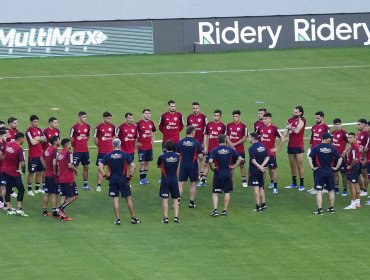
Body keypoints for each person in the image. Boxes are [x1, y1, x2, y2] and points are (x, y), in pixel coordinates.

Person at [98, 138, 141, 225]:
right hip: (123, 179)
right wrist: (130, 176)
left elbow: (100, 166)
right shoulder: (125, 154)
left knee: (115, 198)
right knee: (128, 198)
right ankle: (133, 218)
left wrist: (105, 176)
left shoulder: (108, 155)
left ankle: (117, 219)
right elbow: (134, 166)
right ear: (120, 144)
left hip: (113, 180)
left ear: (112, 145)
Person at [308, 133, 343, 215]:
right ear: (327, 139)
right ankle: (331, 208)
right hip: (329, 172)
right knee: (331, 191)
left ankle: (319, 210)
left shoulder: (316, 147)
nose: (330, 139)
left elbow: (309, 157)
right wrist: (336, 168)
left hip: (320, 172)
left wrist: (313, 167)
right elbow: (340, 159)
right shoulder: (332, 148)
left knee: (319, 191)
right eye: (330, 138)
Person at [209, 134, 243, 217]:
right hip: (227, 173)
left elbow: (210, 161)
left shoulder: (214, 150)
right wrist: (233, 167)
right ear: (225, 141)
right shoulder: (230, 149)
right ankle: (224, 211)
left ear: (218, 141)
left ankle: (215, 210)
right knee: (227, 192)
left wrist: (212, 168)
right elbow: (240, 158)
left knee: (215, 192)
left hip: (218, 173)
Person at [257, 112, 285, 194]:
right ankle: (261, 186)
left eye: (265, 119)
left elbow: (282, 139)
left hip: (270, 155)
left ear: (269, 119)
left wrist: (277, 148)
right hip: (261, 154)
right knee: (262, 170)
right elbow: (256, 137)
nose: (264, 120)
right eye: (263, 119)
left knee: (273, 171)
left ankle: (275, 187)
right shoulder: (260, 128)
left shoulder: (274, 128)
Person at [2, 132, 28, 217]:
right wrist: (23, 171)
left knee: (8, 189)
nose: (24, 140)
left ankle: (9, 209)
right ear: (20, 139)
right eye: (23, 138)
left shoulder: (8, 144)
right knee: (21, 189)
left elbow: (3, 154)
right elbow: (23, 163)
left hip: (4, 170)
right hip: (13, 172)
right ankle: (19, 208)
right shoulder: (19, 149)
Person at [177, 126, 203, 208]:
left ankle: (177, 201)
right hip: (193, 166)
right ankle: (191, 203)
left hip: (183, 165)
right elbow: (200, 156)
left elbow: (177, 155)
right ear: (192, 133)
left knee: (180, 184)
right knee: (193, 184)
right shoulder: (196, 142)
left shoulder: (181, 142)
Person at [198, 109, 226, 187]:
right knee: (206, 164)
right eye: (214, 115)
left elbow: (225, 139)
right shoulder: (209, 125)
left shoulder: (223, 126)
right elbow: (206, 136)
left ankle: (220, 181)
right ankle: (203, 181)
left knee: (219, 166)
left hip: (219, 150)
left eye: (217, 116)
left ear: (220, 116)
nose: (216, 117)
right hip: (210, 149)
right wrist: (206, 147)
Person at [306, 111, 330, 194]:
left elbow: (329, 140)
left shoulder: (326, 127)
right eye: (316, 118)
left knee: (321, 169)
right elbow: (312, 138)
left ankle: (322, 187)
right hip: (314, 151)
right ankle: (316, 186)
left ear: (322, 117)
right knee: (314, 168)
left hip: (322, 152)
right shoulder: (313, 127)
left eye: (318, 118)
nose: (316, 119)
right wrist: (309, 147)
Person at [157, 140, 181, 223]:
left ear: (165, 147)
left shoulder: (162, 157)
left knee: (165, 199)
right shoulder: (177, 157)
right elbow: (177, 168)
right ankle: (176, 217)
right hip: (174, 179)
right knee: (175, 199)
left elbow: (158, 165)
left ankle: (166, 218)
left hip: (165, 180)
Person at [56, 138, 79, 221]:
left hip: (61, 178)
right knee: (74, 195)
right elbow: (70, 165)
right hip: (68, 179)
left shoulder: (60, 154)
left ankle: (62, 215)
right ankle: (60, 208)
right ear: (67, 144)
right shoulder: (69, 153)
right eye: (70, 143)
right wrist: (76, 170)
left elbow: (57, 165)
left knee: (64, 195)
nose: (71, 145)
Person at [284, 106, 306, 191]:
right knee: (292, 164)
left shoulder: (302, 120)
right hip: (290, 145)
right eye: (294, 112)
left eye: (296, 112)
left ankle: (302, 184)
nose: (294, 113)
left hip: (299, 145)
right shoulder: (290, 120)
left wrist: (290, 127)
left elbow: (297, 131)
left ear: (300, 113)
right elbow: (285, 133)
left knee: (299, 165)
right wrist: (280, 136)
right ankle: (294, 183)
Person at [94, 111, 115, 191]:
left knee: (110, 168)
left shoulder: (112, 126)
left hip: (110, 151)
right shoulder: (98, 127)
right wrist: (100, 146)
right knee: (100, 168)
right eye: (107, 118)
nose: (109, 120)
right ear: (103, 118)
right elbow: (95, 138)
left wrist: (111, 144)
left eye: (110, 118)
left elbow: (113, 136)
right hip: (102, 152)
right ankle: (99, 184)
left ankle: (110, 183)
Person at [226, 110, 248, 188]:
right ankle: (229, 181)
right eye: (234, 116)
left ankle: (244, 181)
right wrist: (230, 144)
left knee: (241, 165)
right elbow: (227, 136)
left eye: (236, 116)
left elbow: (244, 138)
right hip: (230, 149)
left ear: (239, 117)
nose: (235, 118)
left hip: (240, 150)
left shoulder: (243, 126)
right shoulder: (228, 125)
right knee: (231, 165)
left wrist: (234, 144)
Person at [26, 115, 47, 196]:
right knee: (31, 172)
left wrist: (37, 138)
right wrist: (39, 138)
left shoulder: (39, 129)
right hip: (33, 155)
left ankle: (37, 188)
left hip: (40, 155)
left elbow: (45, 139)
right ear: (31, 122)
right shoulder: (29, 131)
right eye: (34, 122)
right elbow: (32, 142)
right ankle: (29, 190)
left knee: (39, 172)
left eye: (37, 121)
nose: (36, 123)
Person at [248, 133, 270, 212]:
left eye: (249, 137)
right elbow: (267, 157)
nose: (248, 138)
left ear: (253, 138)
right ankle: (263, 204)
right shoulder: (263, 146)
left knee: (256, 188)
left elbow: (253, 160)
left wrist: (259, 166)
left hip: (254, 170)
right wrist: (262, 166)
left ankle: (258, 206)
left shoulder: (251, 148)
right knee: (261, 187)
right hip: (261, 171)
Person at [70, 111, 92, 190]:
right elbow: (71, 139)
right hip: (77, 151)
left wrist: (84, 141)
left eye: (86, 117)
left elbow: (88, 136)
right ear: (79, 117)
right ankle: (71, 184)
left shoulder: (88, 126)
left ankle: (85, 185)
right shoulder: (74, 127)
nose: (85, 119)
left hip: (85, 151)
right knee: (74, 167)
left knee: (86, 167)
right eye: (83, 117)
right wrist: (74, 146)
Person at [186, 102, 207, 182]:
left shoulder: (203, 117)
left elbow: (206, 131)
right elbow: (188, 130)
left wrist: (204, 144)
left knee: (201, 158)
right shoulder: (189, 117)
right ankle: (196, 174)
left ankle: (202, 174)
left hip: (201, 141)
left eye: (196, 108)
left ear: (199, 108)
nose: (195, 110)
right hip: (192, 142)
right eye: (194, 108)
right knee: (194, 158)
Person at [40, 136, 60, 218]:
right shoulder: (54, 150)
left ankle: (44, 211)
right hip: (52, 175)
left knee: (47, 193)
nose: (59, 141)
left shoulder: (47, 149)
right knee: (55, 194)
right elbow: (55, 163)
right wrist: (55, 172)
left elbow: (41, 158)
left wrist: (46, 167)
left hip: (47, 174)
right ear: (55, 142)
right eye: (58, 140)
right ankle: (54, 212)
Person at [136, 109, 156, 185]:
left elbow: (154, 131)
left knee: (147, 162)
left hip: (149, 146)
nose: (148, 115)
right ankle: (141, 179)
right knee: (142, 162)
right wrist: (137, 142)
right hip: (141, 146)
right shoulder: (138, 123)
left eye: (149, 113)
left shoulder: (151, 123)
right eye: (146, 113)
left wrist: (152, 139)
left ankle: (144, 178)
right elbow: (134, 133)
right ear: (143, 114)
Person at [42, 117, 60, 191]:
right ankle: (44, 185)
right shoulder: (45, 131)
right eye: (55, 123)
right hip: (47, 152)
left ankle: (47, 186)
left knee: (51, 168)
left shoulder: (57, 131)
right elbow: (42, 143)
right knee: (46, 169)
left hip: (54, 152)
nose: (56, 124)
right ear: (50, 123)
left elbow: (58, 141)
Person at [344, 132, 361, 209]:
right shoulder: (355, 145)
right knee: (356, 184)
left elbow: (355, 159)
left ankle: (353, 204)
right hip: (356, 167)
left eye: (351, 138)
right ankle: (358, 202)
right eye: (348, 138)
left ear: (355, 138)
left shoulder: (354, 147)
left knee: (351, 185)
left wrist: (350, 166)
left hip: (353, 168)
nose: (349, 139)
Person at [331, 118, 348, 196]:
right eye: (336, 124)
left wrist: (345, 151)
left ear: (341, 124)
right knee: (335, 173)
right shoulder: (333, 132)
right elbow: (331, 143)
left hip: (342, 157)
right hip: (334, 157)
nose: (337, 126)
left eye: (339, 124)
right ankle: (336, 188)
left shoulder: (344, 133)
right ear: (334, 125)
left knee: (343, 174)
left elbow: (349, 143)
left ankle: (345, 189)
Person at [356, 119, 369, 197]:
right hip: (358, 157)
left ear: (364, 125)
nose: (357, 126)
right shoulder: (359, 133)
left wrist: (364, 156)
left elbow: (367, 146)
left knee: (365, 174)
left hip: (364, 158)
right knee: (357, 174)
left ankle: (365, 190)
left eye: (359, 124)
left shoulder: (367, 134)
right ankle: (361, 188)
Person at [0, 128, 10, 208]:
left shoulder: (4, 143)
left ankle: (2, 202)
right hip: (1, 168)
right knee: (4, 186)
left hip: (3, 168)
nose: (6, 137)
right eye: (5, 136)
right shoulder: (1, 145)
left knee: (2, 186)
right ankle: (4, 203)